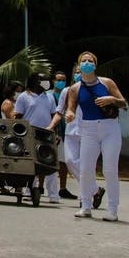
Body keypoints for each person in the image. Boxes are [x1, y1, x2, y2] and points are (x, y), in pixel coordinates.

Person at [64, 51, 127, 221]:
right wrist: (69, 114)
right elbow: (70, 107)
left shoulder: (106, 83)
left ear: (95, 64)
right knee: (85, 169)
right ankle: (86, 206)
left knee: (110, 169)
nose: (86, 63)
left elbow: (123, 102)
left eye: (90, 60)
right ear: (78, 65)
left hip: (109, 128)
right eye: (83, 61)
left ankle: (113, 210)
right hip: (88, 129)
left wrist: (111, 99)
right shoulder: (75, 88)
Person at [48, 64, 105, 207]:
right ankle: (95, 189)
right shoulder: (67, 91)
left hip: (89, 131)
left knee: (87, 165)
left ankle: (85, 198)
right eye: (77, 72)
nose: (79, 74)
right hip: (71, 131)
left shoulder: (95, 89)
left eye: (81, 72)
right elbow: (59, 112)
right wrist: (51, 126)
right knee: (70, 161)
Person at [15, 72, 60, 203]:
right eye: (43, 80)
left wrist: (55, 134)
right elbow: (18, 117)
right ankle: (29, 190)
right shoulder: (24, 97)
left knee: (50, 163)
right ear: (35, 81)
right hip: (29, 133)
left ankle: (53, 194)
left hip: (46, 133)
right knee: (30, 163)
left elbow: (54, 116)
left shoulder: (50, 97)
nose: (46, 82)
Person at [48, 71, 76, 199]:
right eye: (59, 80)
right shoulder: (48, 95)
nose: (61, 82)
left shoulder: (70, 92)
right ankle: (42, 186)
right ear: (53, 81)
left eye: (63, 80)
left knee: (64, 162)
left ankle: (63, 188)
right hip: (54, 132)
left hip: (67, 132)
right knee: (49, 160)